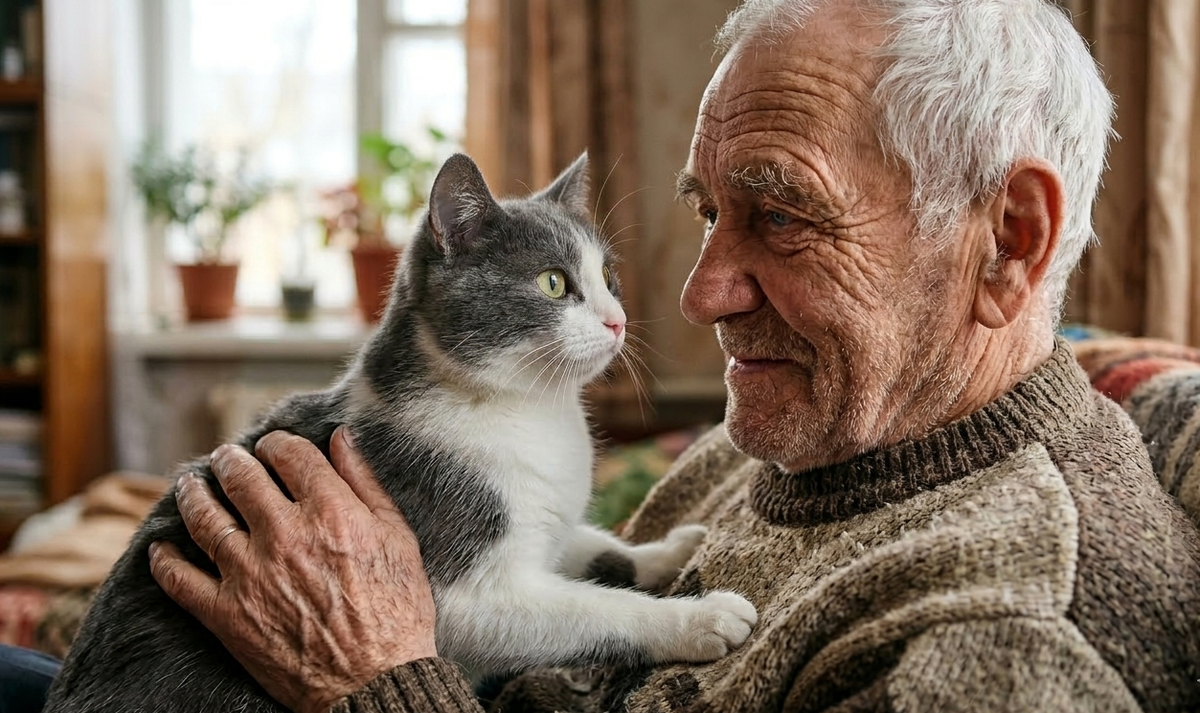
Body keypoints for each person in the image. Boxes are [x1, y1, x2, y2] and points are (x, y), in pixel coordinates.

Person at [147, 0, 1200, 711]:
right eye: (708, 213)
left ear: (1009, 239)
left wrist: (372, 682)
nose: (698, 296)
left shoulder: (1009, 644)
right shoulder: (810, 424)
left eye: (781, 215)